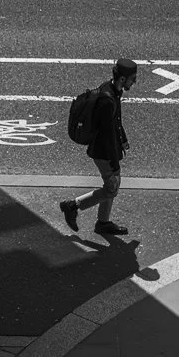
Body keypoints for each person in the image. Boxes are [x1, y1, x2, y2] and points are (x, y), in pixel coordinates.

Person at [60, 57, 137, 236]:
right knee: (111, 188)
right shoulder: (107, 100)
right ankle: (73, 206)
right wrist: (114, 163)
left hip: (109, 149)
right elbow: (107, 135)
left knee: (113, 185)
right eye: (133, 79)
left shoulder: (112, 90)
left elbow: (116, 121)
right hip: (103, 152)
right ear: (122, 79)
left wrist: (123, 138)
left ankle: (103, 222)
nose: (134, 82)